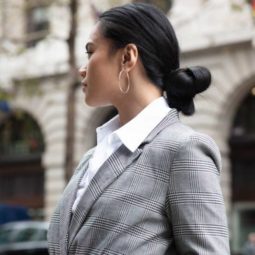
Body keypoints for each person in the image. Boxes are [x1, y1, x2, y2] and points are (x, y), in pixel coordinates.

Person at [48, 3, 230, 254]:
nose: (82, 69)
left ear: (127, 57)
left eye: (91, 52)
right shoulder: (94, 156)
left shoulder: (183, 151)